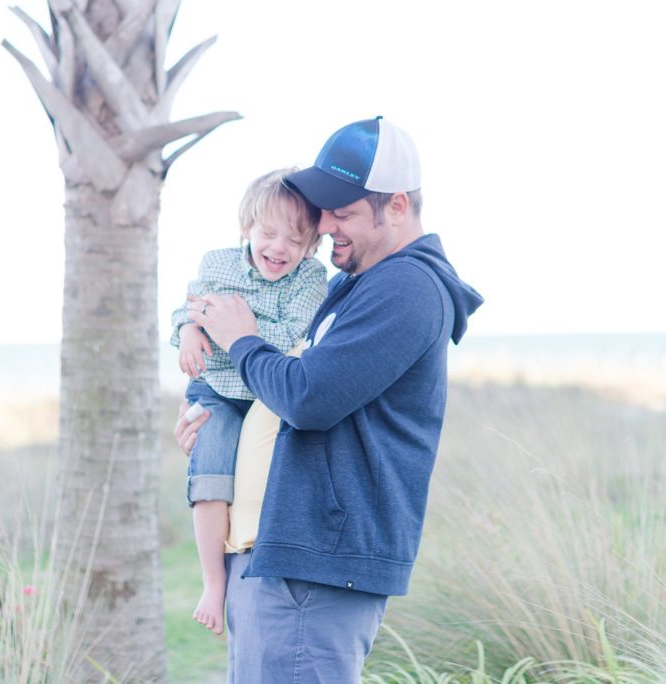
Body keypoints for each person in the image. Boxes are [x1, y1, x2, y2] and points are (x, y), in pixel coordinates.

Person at [176, 116, 484, 682]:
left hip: (315, 566)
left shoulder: (405, 288)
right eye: (324, 212)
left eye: (342, 213)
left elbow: (310, 397)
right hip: (276, 555)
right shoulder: (354, 283)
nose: (324, 226)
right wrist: (216, 416)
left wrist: (239, 339)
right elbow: (281, 382)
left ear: (395, 206)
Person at [169, 168, 328, 635]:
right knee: (211, 469)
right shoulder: (217, 264)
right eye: (268, 233)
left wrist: (238, 329)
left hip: (266, 393)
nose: (279, 249)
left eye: (295, 240)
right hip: (216, 389)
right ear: (246, 229)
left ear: (312, 246)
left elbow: (292, 337)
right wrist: (189, 332)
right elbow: (187, 308)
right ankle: (213, 582)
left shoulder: (310, 281)